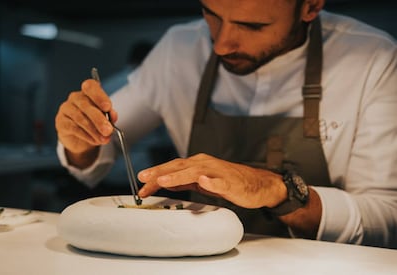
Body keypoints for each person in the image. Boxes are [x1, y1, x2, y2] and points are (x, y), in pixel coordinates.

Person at [55, 0, 397, 248]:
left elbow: (386, 218)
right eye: (211, 14)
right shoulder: (179, 49)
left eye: (253, 26)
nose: (221, 44)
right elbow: (95, 161)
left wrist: (279, 191)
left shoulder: (372, 59)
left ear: (310, 7)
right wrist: (81, 135)